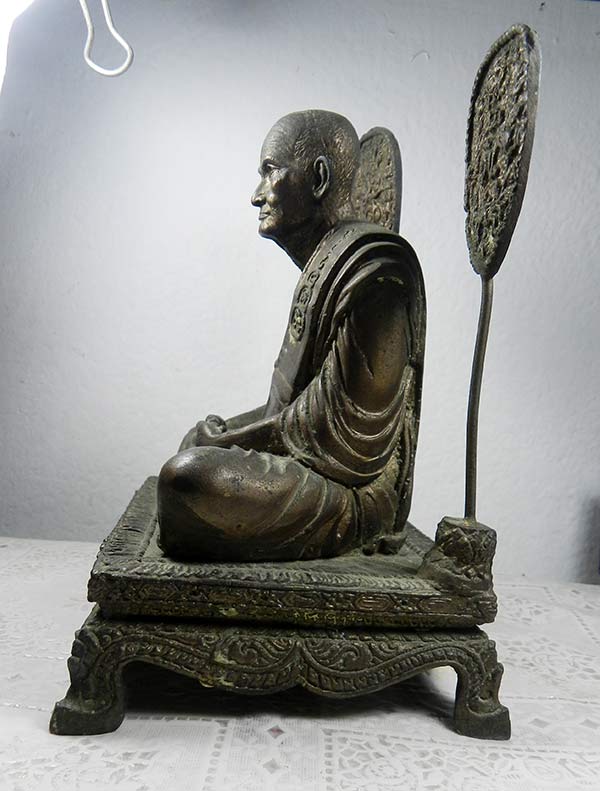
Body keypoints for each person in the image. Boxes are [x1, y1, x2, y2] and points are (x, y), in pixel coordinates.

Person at [157, 110, 425, 562]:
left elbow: (349, 438)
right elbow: (287, 407)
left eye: (270, 171)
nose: (256, 195)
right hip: (308, 465)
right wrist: (230, 434)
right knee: (192, 446)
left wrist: (235, 441)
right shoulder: (324, 265)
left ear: (318, 178)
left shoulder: (377, 274)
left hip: (350, 493)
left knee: (188, 478)